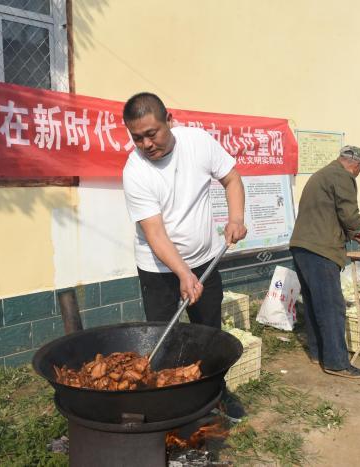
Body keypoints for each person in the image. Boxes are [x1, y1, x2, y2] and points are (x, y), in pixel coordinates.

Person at [122, 92, 247, 418]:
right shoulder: (135, 171)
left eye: (152, 133)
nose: (147, 144)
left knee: (210, 333)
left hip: (205, 259)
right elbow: (156, 234)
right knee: (164, 340)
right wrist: (182, 273)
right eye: (138, 138)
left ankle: (217, 393)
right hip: (158, 270)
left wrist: (235, 218)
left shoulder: (198, 143)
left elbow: (232, 178)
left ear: (170, 120)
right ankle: (168, 405)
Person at [290, 146, 360, 378]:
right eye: (359, 170)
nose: (357, 174)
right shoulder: (341, 176)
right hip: (320, 250)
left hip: (302, 247)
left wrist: (359, 234)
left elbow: (332, 213)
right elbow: (348, 213)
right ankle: (337, 362)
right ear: (355, 165)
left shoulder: (323, 174)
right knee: (331, 307)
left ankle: (319, 353)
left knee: (315, 303)